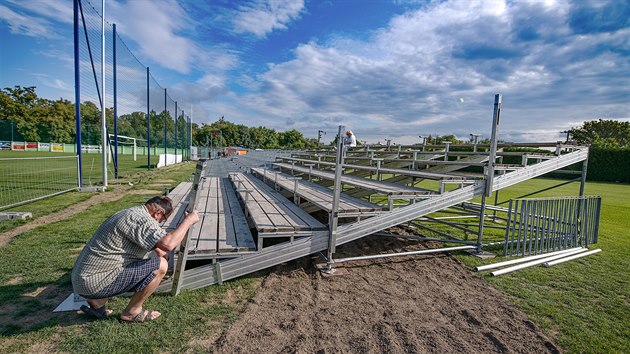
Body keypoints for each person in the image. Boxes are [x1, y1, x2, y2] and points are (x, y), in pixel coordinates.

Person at [71, 196, 199, 323]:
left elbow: (160, 247)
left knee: (154, 257)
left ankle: (97, 303)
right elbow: (168, 244)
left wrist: (162, 249)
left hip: (81, 280)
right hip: (93, 282)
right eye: (162, 220)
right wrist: (188, 221)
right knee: (161, 265)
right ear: (157, 213)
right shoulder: (141, 219)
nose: (159, 224)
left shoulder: (130, 213)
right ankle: (132, 312)